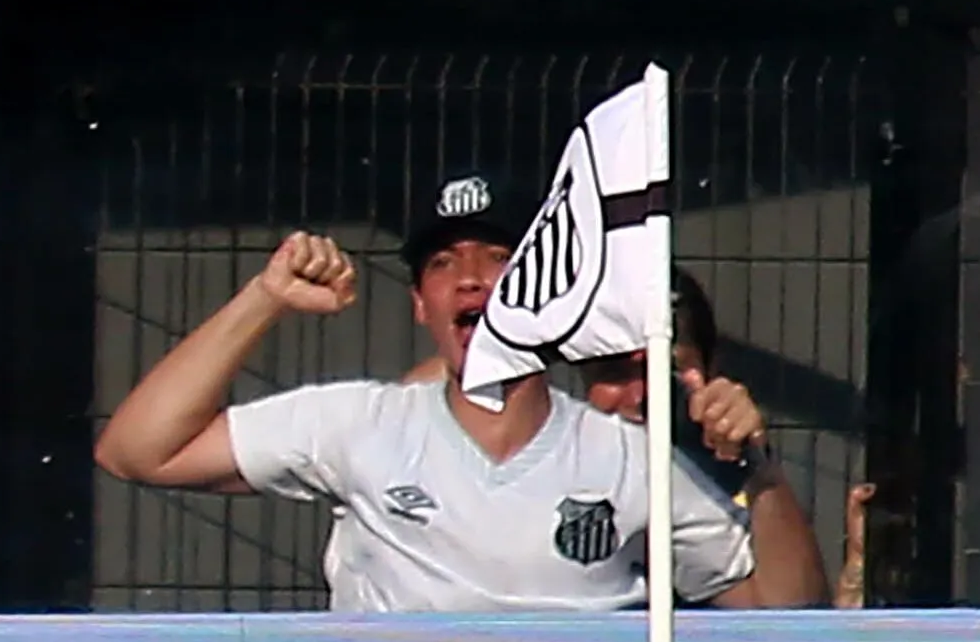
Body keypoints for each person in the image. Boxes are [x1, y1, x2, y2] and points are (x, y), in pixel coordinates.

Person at [93, 182, 812, 611]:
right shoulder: (354, 424)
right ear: (419, 304)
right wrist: (263, 298)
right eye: (442, 262)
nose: (469, 279)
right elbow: (135, 450)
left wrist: (760, 466)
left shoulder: (629, 460)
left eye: (497, 257)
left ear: (548, 287)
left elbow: (782, 619)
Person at [569, 268, 829, 607]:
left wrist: (755, 464)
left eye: (664, 369)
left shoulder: (733, 474)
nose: (640, 397)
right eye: (614, 373)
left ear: (709, 367)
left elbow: (792, 617)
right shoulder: (557, 463)